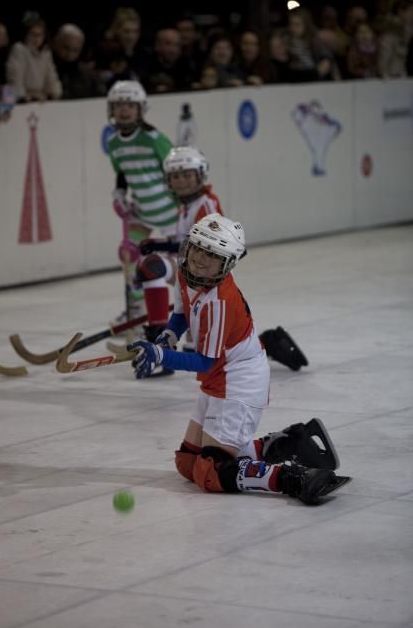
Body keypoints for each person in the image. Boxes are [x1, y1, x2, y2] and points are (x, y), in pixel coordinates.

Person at [127, 214, 350, 504]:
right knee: (187, 462)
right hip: (220, 377)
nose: (201, 260)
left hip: (239, 381)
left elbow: (205, 361)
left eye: (213, 256)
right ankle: (286, 444)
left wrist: (160, 355)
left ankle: (292, 478)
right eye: (198, 248)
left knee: (211, 472)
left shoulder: (219, 300)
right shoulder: (185, 274)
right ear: (189, 246)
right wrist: (169, 335)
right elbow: (181, 314)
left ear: (227, 264)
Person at [137, 146, 308, 371]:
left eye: (187, 175)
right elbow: (189, 243)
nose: (181, 181)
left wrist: (162, 246)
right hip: (189, 269)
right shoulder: (186, 207)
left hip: (204, 274)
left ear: (201, 174)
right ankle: (162, 337)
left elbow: (207, 247)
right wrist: (162, 244)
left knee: (209, 346)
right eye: (175, 176)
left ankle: (264, 344)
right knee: (204, 341)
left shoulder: (205, 204)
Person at [106, 79, 178, 325]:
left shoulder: (153, 138)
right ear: (111, 109)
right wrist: (119, 193)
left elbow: (174, 166)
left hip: (171, 211)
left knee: (181, 263)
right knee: (129, 255)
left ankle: (185, 302)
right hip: (142, 211)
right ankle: (137, 307)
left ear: (140, 109)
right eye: (119, 105)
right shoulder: (114, 143)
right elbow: (123, 172)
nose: (124, 110)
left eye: (130, 105)